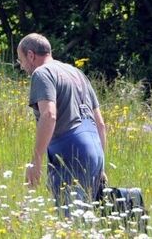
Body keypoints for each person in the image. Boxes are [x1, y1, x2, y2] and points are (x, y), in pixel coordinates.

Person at [17, 33, 107, 209]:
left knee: (70, 224)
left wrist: (36, 161)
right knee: (87, 220)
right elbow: (101, 124)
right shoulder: (77, 73)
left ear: (30, 55)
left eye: (20, 60)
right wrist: (101, 165)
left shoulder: (42, 73)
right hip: (96, 150)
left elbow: (49, 115)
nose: (21, 67)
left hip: (70, 152)